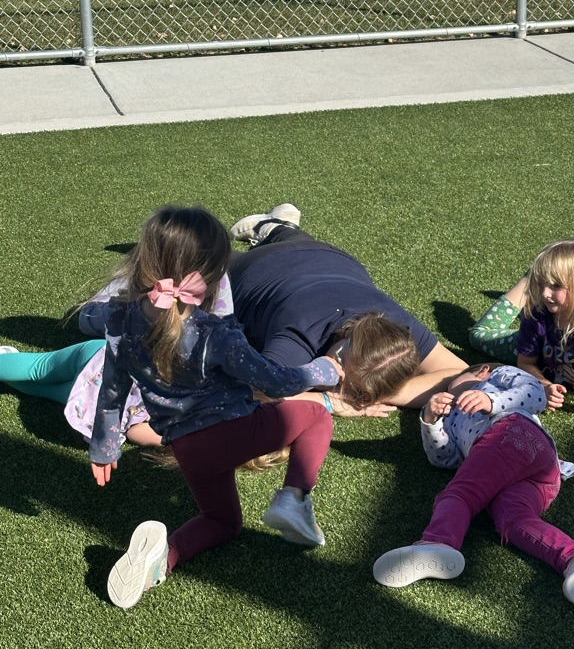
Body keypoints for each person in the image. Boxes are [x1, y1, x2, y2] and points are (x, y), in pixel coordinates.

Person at [87, 205, 343, 609]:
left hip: (186, 449)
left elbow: (112, 390)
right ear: (210, 276)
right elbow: (275, 381)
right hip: (232, 433)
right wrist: (321, 370)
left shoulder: (120, 320)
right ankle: (294, 498)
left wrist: (104, 448)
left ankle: (162, 560)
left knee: (222, 521)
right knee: (316, 416)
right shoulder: (215, 333)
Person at [372, 363, 574, 607]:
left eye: (454, 383)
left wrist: (490, 400)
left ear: (482, 371)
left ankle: (438, 542)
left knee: (461, 493)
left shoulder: (497, 377)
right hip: (539, 474)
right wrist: (431, 418)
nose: (449, 391)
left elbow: (536, 393)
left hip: (512, 434)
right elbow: (443, 458)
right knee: (511, 520)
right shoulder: (450, 417)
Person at [227, 203, 466, 415]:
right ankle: (271, 231)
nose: (337, 370)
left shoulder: (397, 336)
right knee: (214, 258)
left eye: (350, 386)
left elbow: (460, 374)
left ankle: (280, 227)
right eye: (341, 357)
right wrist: (327, 401)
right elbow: (247, 393)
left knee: (297, 240)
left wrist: (384, 393)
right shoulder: (300, 339)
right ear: (350, 334)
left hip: (326, 256)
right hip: (255, 271)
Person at [0, 274, 235, 450]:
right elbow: (136, 433)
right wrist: (170, 441)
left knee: (39, 368)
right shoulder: (181, 426)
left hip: (103, 357)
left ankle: (7, 363)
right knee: (46, 387)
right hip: (96, 396)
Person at [469, 238, 574, 437]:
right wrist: (544, 385)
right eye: (541, 283)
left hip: (555, 351)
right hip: (523, 344)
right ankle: (526, 283)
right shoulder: (537, 316)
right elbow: (525, 362)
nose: (545, 293)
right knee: (478, 336)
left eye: (556, 285)